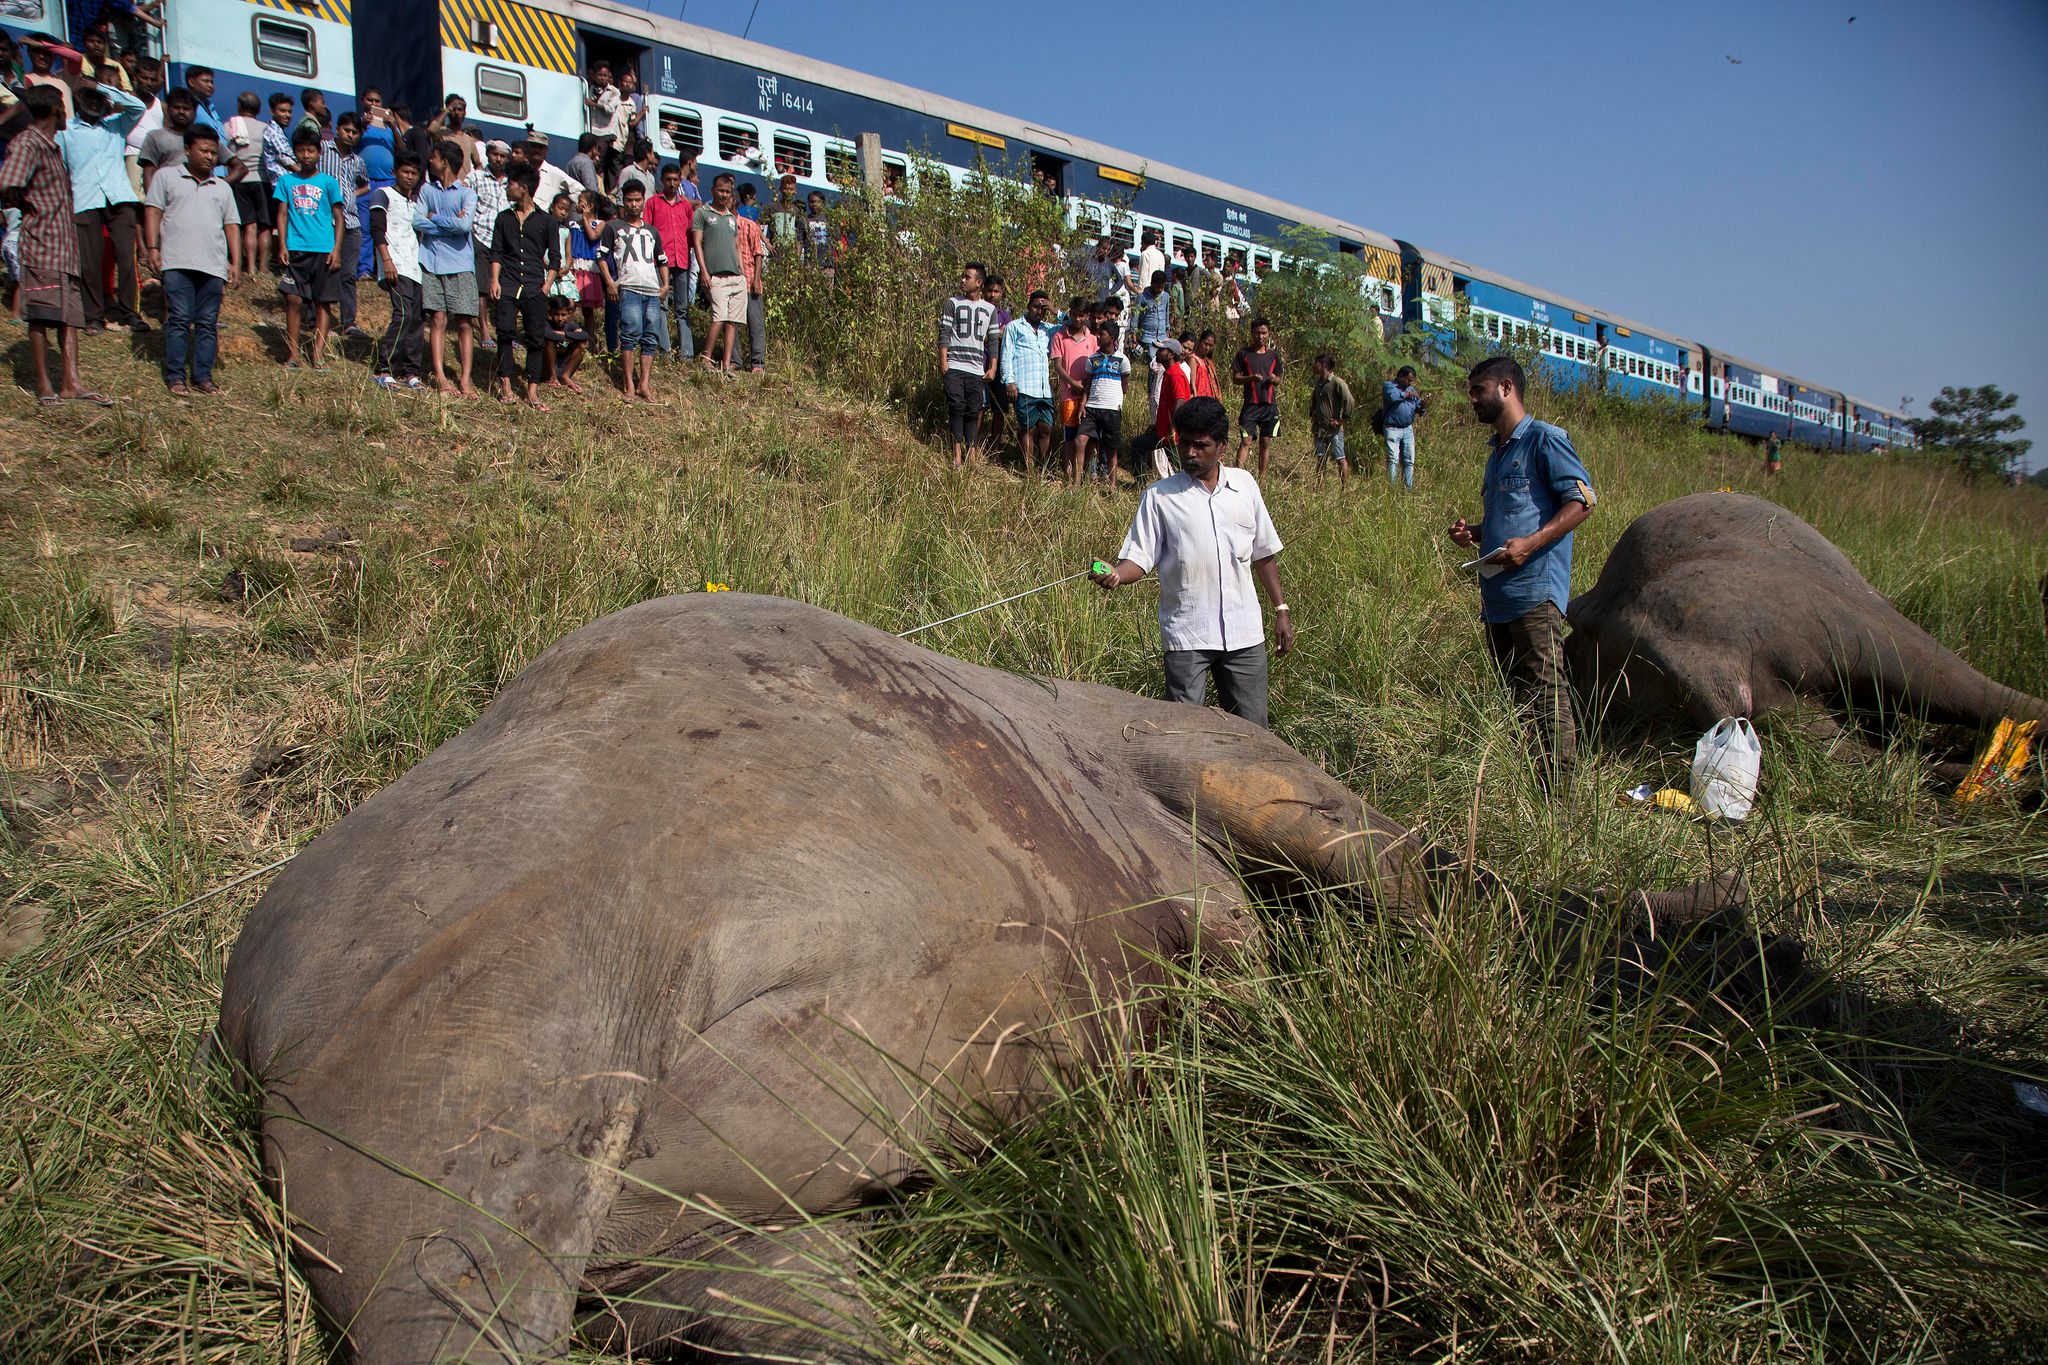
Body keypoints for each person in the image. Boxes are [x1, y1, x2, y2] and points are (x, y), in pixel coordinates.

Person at [1091, 396, 1292, 728]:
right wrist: (1115, 574)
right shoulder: (1159, 496)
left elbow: (1263, 553)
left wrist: (1281, 609)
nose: (1189, 452)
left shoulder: (1245, 487)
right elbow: (1138, 559)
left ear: (1223, 446)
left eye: (1200, 445)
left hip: (1244, 635)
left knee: (1253, 732)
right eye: (1183, 442)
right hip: (1188, 637)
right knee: (1184, 734)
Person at [1447, 356, 1596, 790]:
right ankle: (1533, 787)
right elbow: (1513, 517)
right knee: (1519, 700)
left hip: (1534, 594)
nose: (1472, 399)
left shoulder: (1545, 441)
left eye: (1478, 390)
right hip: (1498, 600)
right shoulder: (1496, 454)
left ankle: (1561, 805)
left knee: (1548, 698)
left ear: (1506, 388)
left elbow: (1583, 501)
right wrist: (1474, 533)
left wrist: (1531, 544)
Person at [2, 85, 109, 405]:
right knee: (41, 315)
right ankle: (45, 385)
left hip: (65, 247)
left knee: (69, 317)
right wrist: (29, 208)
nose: (67, 113)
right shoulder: (27, 143)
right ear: (53, 110)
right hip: (41, 243)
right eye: (63, 107)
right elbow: (8, 183)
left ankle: (71, 383)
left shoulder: (52, 147)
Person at [144, 122, 240, 395]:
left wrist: (235, 262)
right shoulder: (166, 177)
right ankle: (175, 377)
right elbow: (153, 211)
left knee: (208, 322)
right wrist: (153, 248)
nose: (210, 156)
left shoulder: (222, 187)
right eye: (204, 150)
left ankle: (203, 377)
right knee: (179, 318)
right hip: (177, 261)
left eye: (213, 152)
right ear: (188, 149)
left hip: (212, 265)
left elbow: (231, 225)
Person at [58, 78, 147, 334]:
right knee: (89, 261)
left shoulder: (115, 125)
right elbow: (62, 168)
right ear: (78, 101)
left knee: (126, 258)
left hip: (118, 198)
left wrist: (101, 87)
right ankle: (94, 316)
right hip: (85, 199)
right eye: (89, 98)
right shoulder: (66, 131)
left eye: (98, 99)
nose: (94, 103)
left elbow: (137, 106)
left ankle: (131, 313)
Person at [488, 162, 558, 408]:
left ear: (524, 188)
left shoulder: (546, 221)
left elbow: (555, 258)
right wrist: (495, 280)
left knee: (535, 337)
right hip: (507, 282)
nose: (508, 188)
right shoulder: (503, 218)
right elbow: (496, 251)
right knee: (505, 332)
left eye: (511, 184)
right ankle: (506, 383)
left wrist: (547, 285)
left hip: (534, 285)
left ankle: (532, 390)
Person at [273, 125, 343, 368]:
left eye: (310, 150)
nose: (306, 155)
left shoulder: (329, 182)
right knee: (293, 299)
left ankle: (318, 353)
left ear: (319, 152)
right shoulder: (286, 181)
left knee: (323, 302)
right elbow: (282, 215)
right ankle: (293, 354)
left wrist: (336, 250)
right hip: (297, 249)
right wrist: (282, 244)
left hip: (324, 249)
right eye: (301, 150)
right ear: (295, 152)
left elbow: (339, 218)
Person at [597, 179, 668, 403]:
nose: (634, 204)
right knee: (629, 334)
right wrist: (610, 282)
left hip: (651, 289)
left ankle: (644, 383)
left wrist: (665, 284)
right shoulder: (613, 228)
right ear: (623, 201)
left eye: (638, 200)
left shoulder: (652, 231)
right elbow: (600, 257)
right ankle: (628, 383)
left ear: (643, 201)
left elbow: (662, 259)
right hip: (628, 287)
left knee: (650, 337)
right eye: (629, 200)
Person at [417, 139, 478, 394]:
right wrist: (449, 222)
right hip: (431, 260)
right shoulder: (426, 190)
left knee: (464, 322)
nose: (430, 161)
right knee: (438, 319)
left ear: (444, 161)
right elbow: (418, 221)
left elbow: (465, 227)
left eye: (434, 157)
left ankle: (465, 379)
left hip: (461, 263)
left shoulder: (467, 192)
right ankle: (441, 377)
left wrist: (435, 218)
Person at [368, 152, 425, 390]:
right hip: (395, 264)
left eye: (414, 173)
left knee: (417, 320)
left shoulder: (416, 203)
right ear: (395, 173)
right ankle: (384, 369)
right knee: (402, 315)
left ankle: (411, 372)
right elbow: (377, 229)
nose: (409, 177)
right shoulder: (384, 195)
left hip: (415, 267)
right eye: (405, 172)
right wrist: (386, 260)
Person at [936, 260, 997, 468]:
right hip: (955, 365)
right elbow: (944, 333)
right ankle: (957, 455)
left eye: (967, 277)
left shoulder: (989, 309)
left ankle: (971, 455)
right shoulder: (952, 303)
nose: (962, 280)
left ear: (978, 282)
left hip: (976, 368)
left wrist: (993, 366)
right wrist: (943, 361)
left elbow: (993, 340)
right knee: (956, 407)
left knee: (973, 411)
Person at [315, 111, 367, 337]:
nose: (350, 135)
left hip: (351, 222)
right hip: (324, 221)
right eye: (346, 130)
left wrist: (351, 194)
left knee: (348, 274)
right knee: (322, 272)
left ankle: (349, 323)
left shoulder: (358, 160)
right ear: (337, 129)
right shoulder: (323, 149)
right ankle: (316, 322)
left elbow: (365, 184)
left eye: (355, 132)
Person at [691, 171, 746, 377]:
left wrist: (742, 273)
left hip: (735, 276)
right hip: (715, 275)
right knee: (719, 317)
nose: (724, 195)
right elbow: (697, 243)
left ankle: (725, 364)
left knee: (733, 321)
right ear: (713, 190)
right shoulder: (703, 214)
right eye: (721, 191)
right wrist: (703, 271)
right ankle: (705, 358)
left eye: (728, 192)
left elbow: (737, 245)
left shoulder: (732, 218)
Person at [1001, 290, 1060, 475]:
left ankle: (1043, 468)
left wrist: (1055, 310)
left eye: (1043, 308)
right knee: (1027, 428)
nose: (1039, 311)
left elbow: (1072, 324)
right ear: (1028, 306)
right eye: (1036, 306)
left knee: (1046, 428)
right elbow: (1006, 355)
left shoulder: (1049, 329)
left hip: (1044, 390)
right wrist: (1009, 381)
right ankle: (1029, 469)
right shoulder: (1014, 327)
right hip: (1024, 386)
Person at [644, 160, 694, 360]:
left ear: (679, 180)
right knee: (661, 305)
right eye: (668, 180)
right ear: (662, 181)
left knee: (682, 308)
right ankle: (665, 350)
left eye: (675, 180)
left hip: (681, 259)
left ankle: (687, 353)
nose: (672, 184)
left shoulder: (686, 206)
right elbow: (647, 231)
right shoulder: (653, 203)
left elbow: (690, 232)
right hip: (660, 260)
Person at [1051, 297, 1097, 486]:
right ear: (1069, 313)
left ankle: (1088, 474)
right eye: (1074, 315)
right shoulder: (1059, 337)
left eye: (1081, 315)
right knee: (1070, 436)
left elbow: (1095, 365)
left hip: (1088, 396)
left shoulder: (1093, 339)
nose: (1077, 319)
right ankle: (1068, 474)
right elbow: (1058, 365)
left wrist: (1084, 385)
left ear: (1086, 316)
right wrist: (1072, 382)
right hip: (1068, 394)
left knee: (1087, 437)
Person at [222, 91, 268, 277]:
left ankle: (249, 267)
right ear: (258, 109)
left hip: (239, 181)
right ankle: (264, 269)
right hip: (262, 180)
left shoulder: (229, 126)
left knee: (248, 225)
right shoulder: (266, 128)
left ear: (240, 107)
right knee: (264, 226)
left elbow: (222, 150)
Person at [1079, 322, 1129, 487]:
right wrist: (1083, 404)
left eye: (1102, 334)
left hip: (1112, 409)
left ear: (1112, 338)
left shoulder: (1122, 360)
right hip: (1092, 408)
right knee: (1081, 441)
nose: (1098, 337)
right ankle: (1077, 482)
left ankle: (1112, 485)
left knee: (1111, 448)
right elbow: (1087, 385)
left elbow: (1124, 387)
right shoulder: (1092, 359)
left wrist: (1114, 400)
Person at [1232, 317, 1283, 476]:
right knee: (1246, 441)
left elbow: (1279, 378)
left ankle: (1262, 478)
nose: (1260, 336)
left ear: (1269, 334)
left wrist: (1275, 380)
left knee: (1265, 443)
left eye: (1263, 333)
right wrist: (1251, 378)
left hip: (1269, 406)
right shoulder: (1244, 354)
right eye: (1257, 333)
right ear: (1251, 333)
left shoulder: (1274, 356)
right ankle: (1237, 477)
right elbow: (1235, 378)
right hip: (1251, 406)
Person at [464, 138, 509, 314]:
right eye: (495, 154)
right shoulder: (476, 177)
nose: (498, 159)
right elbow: (462, 194)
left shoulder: (509, 183)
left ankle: (502, 326)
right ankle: (483, 330)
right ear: (488, 155)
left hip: (503, 241)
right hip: (480, 235)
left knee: (503, 285)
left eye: (503, 156)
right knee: (482, 286)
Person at [1310, 353, 1354, 489]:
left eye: (1315, 363)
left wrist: (1342, 420)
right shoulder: (1319, 382)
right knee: (1320, 458)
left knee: (1340, 458)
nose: (1313, 366)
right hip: (1319, 428)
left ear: (1322, 365)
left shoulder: (1337, 382)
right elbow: (1314, 400)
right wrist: (1312, 413)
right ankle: (1320, 487)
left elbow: (1349, 400)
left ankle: (1344, 488)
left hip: (1334, 430)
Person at [978, 271, 1010, 454]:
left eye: (996, 291)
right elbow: (981, 336)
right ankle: (975, 447)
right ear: (984, 291)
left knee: (999, 410)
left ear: (1001, 293)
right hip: (979, 365)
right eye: (989, 291)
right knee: (979, 408)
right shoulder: (978, 311)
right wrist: (995, 334)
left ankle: (995, 450)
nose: (992, 295)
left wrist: (992, 335)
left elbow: (1006, 335)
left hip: (999, 368)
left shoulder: (1004, 316)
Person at [737, 198, 767, 373]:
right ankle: (735, 360)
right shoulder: (723, 225)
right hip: (730, 283)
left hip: (749, 281)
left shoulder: (749, 226)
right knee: (731, 323)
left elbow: (758, 254)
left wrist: (756, 279)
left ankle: (758, 363)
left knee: (755, 323)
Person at [1381, 364, 1422, 488]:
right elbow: (1392, 397)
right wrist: (1407, 395)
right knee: (1393, 459)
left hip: (1407, 429)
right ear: (1400, 376)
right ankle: (1392, 488)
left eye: (1412, 381)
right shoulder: (1389, 386)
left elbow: (1418, 407)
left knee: (1409, 461)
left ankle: (1408, 487)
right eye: (1408, 380)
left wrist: (1422, 406)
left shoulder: (1411, 390)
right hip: (1392, 428)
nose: (1410, 383)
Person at [542, 292, 590, 391]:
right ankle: (552, 376)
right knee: (550, 341)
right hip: (546, 367)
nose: (559, 318)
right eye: (556, 314)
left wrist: (563, 334)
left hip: (563, 365)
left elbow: (585, 336)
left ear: (569, 314)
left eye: (563, 315)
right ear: (550, 313)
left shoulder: (570, 326)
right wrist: (569, 339)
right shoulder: (546, 324)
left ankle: (565, 376)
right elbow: (546, 333)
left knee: (583, 344)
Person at [583, 60, 621, 181]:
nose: (603, 78)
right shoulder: (590, 88)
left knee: (599, 159)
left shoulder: (614, 91)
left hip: (606, 131)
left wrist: (593, 103)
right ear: (595, 76)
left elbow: (609, 109)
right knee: (593, 159)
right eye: (600, 75)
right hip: (593, 130)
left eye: (605, 75)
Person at [426, 93, 481, 172]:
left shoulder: (469, 139)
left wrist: (474, 179)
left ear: (464, 112)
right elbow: (431, 130)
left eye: (460, 110)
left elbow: (478, 164)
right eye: (453, 109)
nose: (457, 113)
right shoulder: (442, 133)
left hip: (463, 183)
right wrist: (448, 109)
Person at [616, 136, 657, 202]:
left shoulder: (651, 177)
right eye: (652, 153)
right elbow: (620, 198)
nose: (654, 156)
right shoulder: (628, 171)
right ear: (647, 153)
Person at [565, 131, 602, 198]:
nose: (598, 153)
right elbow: (591, 190)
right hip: (583, 204)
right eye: (597, 148)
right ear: (593, 149)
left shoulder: (570, 163)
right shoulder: (586, 163)